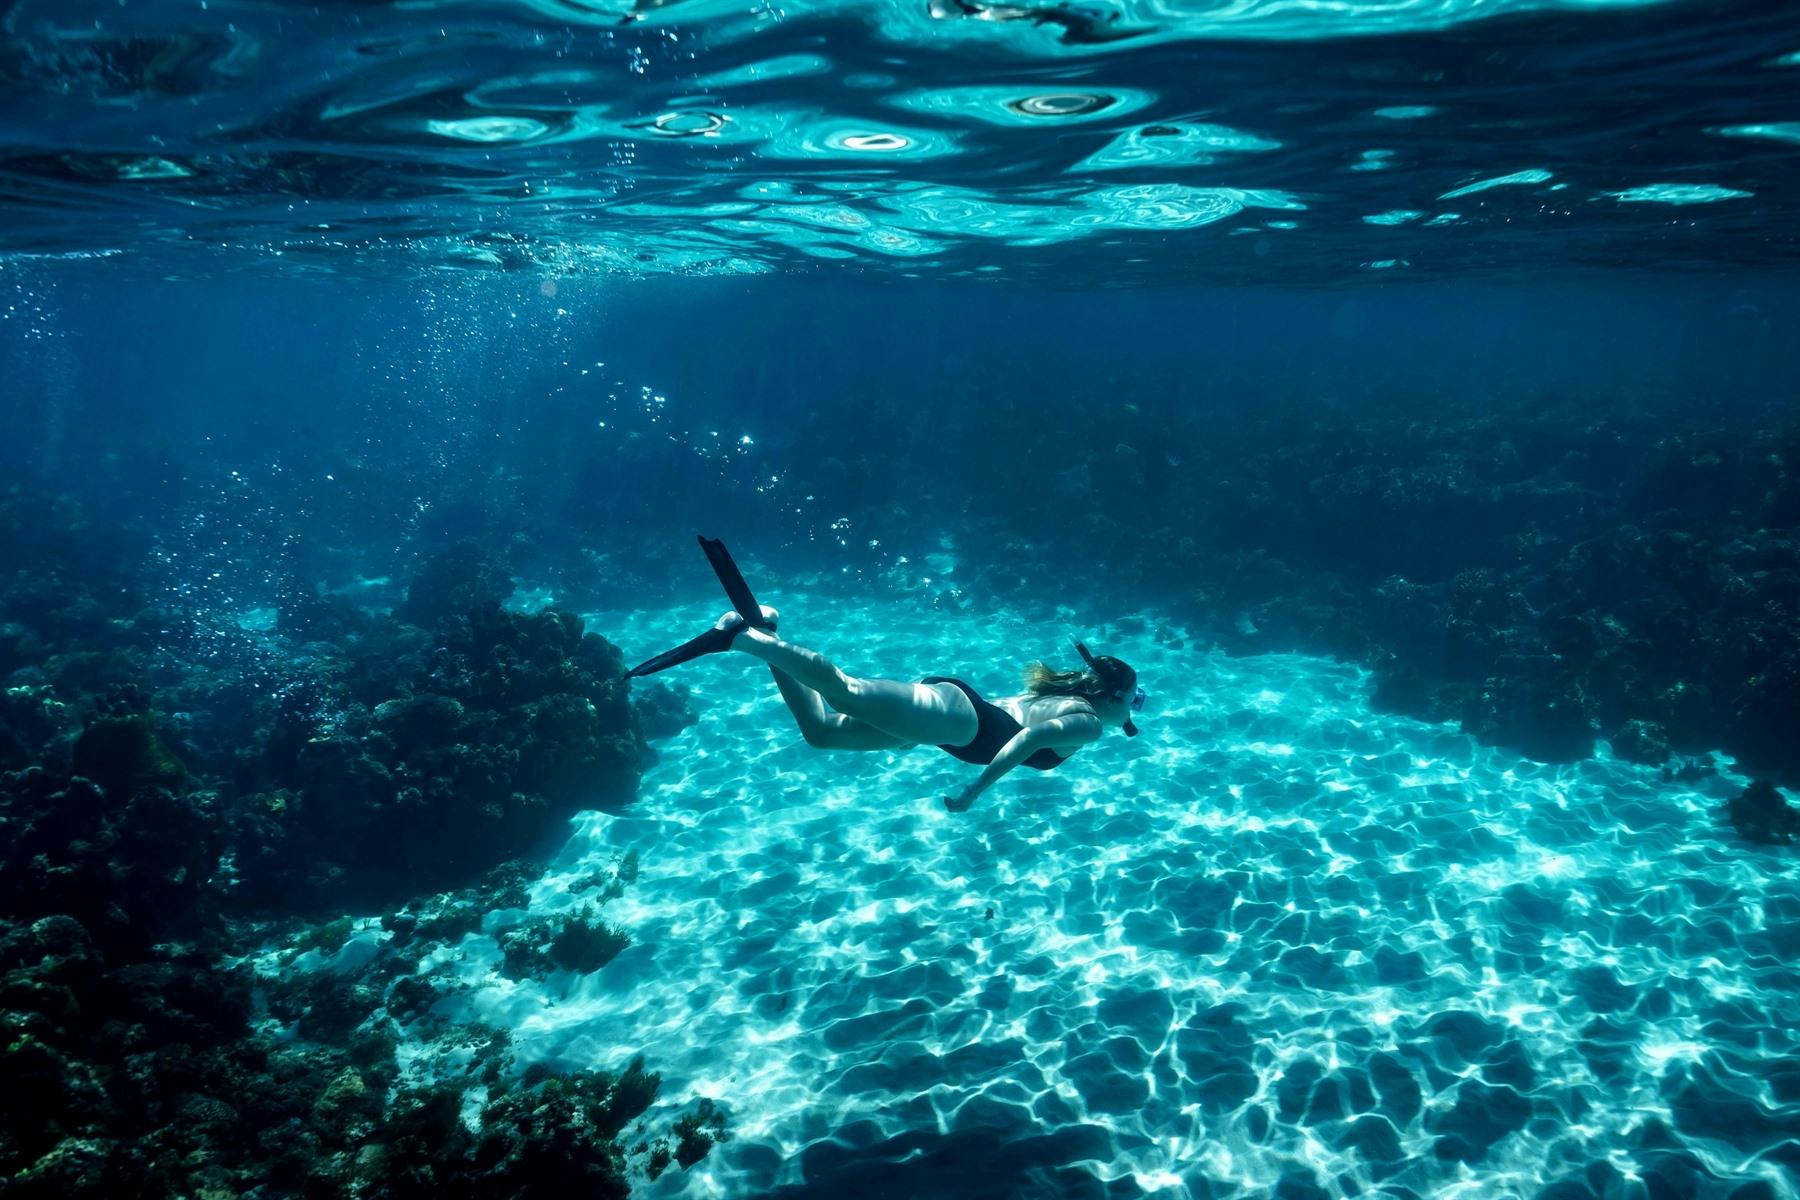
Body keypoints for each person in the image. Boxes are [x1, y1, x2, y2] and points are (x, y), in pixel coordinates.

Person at [626, 538, 1146, 812]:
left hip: (952, 717)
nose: (1133, 710)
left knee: (822, 731)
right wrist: (975, 791)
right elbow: (1027, 738)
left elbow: (1010, 713)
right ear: (1113, 696)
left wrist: (918, 729)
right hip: (960, 721)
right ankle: (742, 638)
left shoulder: (1064, 699)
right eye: (1135, 700)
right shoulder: (1088, 725)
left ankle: (766, 630)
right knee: (845, 692)